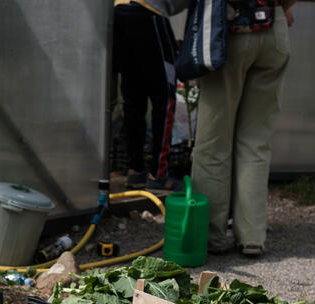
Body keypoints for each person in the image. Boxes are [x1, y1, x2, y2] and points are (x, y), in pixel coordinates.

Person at [191, 0, 296, 257]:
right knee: (256, 140)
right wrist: (282, 8)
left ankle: (210, 236)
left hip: (230, 30)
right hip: (274, 28)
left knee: (214, 141)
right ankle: (252, 237)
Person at [112, 0, 188, 190]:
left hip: (119, 11)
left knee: (133, 98)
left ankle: (135, 170)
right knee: (165, 98)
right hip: (149, 11)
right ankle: (159, 174)